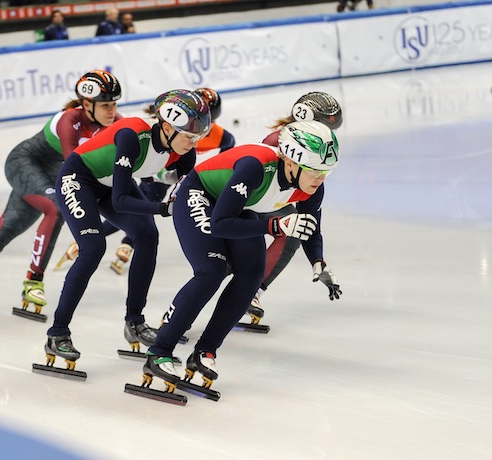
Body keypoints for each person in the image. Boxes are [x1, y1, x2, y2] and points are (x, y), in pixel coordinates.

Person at [142, 120, 340, 395]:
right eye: (316, 171)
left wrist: (318, 261)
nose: (320, 179)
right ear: (292, 163)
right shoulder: (255, 167)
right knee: (211, 270)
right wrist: (274, 226)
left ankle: (205, 350)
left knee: (252, 273)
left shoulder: (312, 186)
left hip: (240, 207)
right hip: (199, 195)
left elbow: (311, 227)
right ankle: (159, 351)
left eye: (326, 172)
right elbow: (221, 223)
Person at [0, 71, 123, 324]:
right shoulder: (68, 120)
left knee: (0, 236)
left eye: (115, 104)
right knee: (57, 207)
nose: (112, 111)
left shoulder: (116, 121)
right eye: (106, 105)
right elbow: (76, 166)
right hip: (22, 164)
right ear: (86, 104)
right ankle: (34, 280)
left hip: (46, 179)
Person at [39, 89, 211, 374]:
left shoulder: (184, 153)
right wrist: (160, 209)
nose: (193, 143)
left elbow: (183, 197)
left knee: (148, 236)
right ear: (166, 127)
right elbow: (120, 200)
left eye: (197, 137)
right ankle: (57, 333)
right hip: (78, 178)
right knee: (93, 248)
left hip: (108, 184)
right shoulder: (132, 135)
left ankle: (135, 321)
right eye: (188, 136)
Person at [89, 87, 235, 275]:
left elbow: (229, 145)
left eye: (208, 125)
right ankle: (122, 241)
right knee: (146, 202)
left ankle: (118, 239)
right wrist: (159, 175)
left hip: (176, 165)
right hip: (159, 165)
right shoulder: (172, 129)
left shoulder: (219, 135)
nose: (200, 133)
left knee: (152, 204)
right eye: (193, 127)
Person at [245, 92, 344, 328]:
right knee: (234, 256)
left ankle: (252, 290)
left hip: (267, 201)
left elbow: (310, 214)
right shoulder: (278, 143)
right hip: (249, 200)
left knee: (292, 233)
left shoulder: (307, 146)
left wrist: (317, 259)